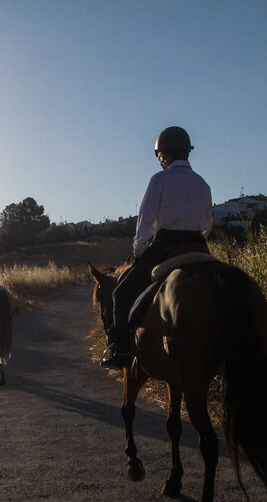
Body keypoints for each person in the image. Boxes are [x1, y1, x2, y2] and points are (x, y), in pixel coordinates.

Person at [101, 126, 214, 369]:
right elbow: (206, 225)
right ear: (187, 152)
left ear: (162, 155)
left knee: (120, 294)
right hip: (199, 245)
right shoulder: (202, 183)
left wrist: (140, 253)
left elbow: (145, 225)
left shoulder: (159, 180)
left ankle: (122, 351)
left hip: (165, 246)